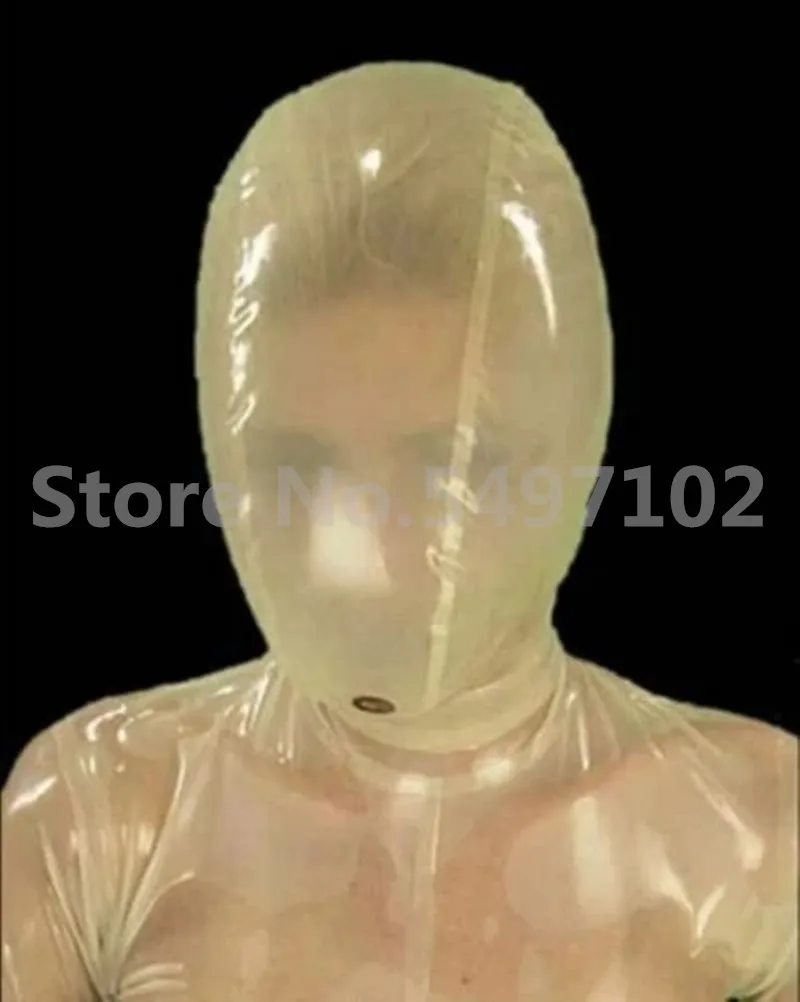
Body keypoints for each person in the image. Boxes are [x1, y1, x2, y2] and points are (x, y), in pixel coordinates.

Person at [3, 62, 796, 1002]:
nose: (364, 553)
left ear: (571, 447)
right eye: (300, 468)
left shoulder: (755, 831)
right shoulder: (99, 812)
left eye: (451, 469)